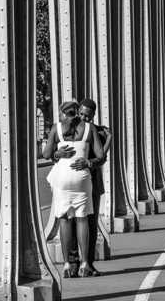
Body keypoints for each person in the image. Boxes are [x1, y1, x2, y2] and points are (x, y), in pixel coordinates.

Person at [43, 101, 104, 278]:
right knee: (82, 219)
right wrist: (87, 162)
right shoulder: (89, 128)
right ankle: (85, 264)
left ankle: (68, 265)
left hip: (62, 177)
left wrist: (57, 154)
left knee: (64, 219)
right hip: (82, 177)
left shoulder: (56, 129)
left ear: (62, 113)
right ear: (78, 113)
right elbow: (100, 156)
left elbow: (46, 154)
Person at [55, 99, 112, 276]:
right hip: (71, 184)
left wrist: (109, 139)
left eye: (88, 115)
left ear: (93, 115)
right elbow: (53, 154)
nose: (84, 117)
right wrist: (58, 153)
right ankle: (73, 263)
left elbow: (102, 157)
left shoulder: (98, 131)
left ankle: (88, 264)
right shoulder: (67, 128)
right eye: (81, 114)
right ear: (77, 111)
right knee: (69, 222)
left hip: (92, 183)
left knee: (91, 224)